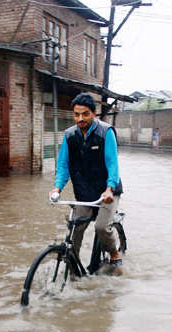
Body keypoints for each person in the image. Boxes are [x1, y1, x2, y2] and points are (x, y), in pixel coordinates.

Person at [49, 92, 124, 269]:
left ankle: (114, 253)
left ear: (93, 113)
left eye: (85, 114)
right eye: (76, 114)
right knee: (75, 227)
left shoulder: (106, 132)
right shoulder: (69, 136)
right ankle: (73, 269)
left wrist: (110, 188)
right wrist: (57, 188)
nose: (80, 118)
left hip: (107, 192)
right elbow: (63, 166)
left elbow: (112, 163)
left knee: (101, 227)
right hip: (84, 193)